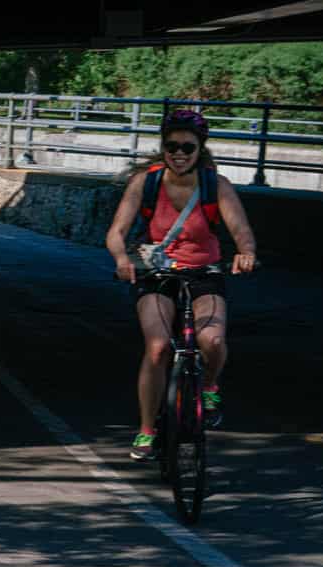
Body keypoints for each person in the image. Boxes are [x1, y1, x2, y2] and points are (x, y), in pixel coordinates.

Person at [104, 108, 258, 460]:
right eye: (171, 146)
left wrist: (246, 252)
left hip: (204, 273)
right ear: (163, 147)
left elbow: (240, 230)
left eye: (187, 147)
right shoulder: (146, 182)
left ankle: (209, 386)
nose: (178, 153)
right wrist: (121, 259)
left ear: (199, 149)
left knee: (212, 339)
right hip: (156, 275)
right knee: (157, 347)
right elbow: (116, 232)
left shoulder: (215, 186)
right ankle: (146, 430)